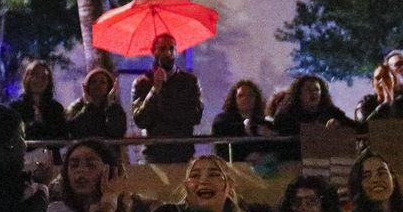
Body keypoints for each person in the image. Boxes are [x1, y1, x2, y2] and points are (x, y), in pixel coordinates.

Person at [45, 139, 150, 212]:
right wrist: (110, 197)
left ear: (110, 171)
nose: (81, 170)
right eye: (74, 165)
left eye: (91, 165)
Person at [131, 33, 203, 164]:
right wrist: (155, 89)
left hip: (183, 153)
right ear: (154, 52)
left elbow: (195, 116)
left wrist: (166, 106)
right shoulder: (142, 83)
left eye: (172, 48)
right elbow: (140, 120)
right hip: (154, 154)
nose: (168, 53)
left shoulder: (189, 81)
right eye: (162, 48)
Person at [210, 80, 276, 160]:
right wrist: (248, 128)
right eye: (241, 95)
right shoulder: (223, 119)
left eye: (250, 95)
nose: (246, 98)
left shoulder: (263, 122)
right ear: (234, 99)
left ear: (256, 98)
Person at [271, 75, 354, 136]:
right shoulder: (286, 115)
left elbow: (355, 127)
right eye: (308, 90)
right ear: (299, 94)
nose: (313, 93)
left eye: (317, 90)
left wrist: (339, 126)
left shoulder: (331, 112)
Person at [11, 60, 69, 143]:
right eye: (35, 75)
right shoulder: (15, 107)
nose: (39, 80)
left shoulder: (56, 108)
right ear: (27, 78)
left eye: (44, 77)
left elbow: (63, 136)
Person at [65, 67, 127, 142]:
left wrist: (110, 107)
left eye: (102, 82)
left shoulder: (115, 108)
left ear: (109, 87)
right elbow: (76, 131)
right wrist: (89, 107)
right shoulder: (76, 106)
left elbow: (117, 132)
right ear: (87, 86)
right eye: (93, 82)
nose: (98, 85)